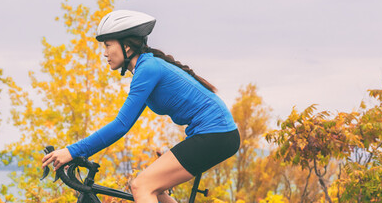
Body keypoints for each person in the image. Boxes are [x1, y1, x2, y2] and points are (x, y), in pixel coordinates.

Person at [41, 10, 240, 203]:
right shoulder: (146, 69)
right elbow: (124, 124)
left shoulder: (148, 69)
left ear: (126, 47)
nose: (105, 53)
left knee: (141, 186)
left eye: (108, 45)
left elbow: (121, 125)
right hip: (215, 135)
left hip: (216, 134)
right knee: (150, 187)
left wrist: (72, 151)